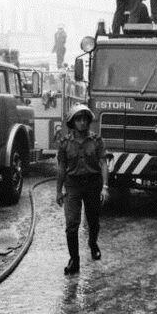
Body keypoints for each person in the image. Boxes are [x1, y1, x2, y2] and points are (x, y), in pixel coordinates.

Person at [56, 104, 109, 275]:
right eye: (78, 119)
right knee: (72, 224)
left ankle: (93, 244)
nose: (82, 123)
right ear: (72, 122)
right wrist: (58, 191)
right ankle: (74, 260)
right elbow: (61, 167)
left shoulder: (96, 141)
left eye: (85, 119)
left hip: (93, 184)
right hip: (73, 185)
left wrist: (105, 187)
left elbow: (103, 164)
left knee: (93, 220)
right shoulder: (65, 143)